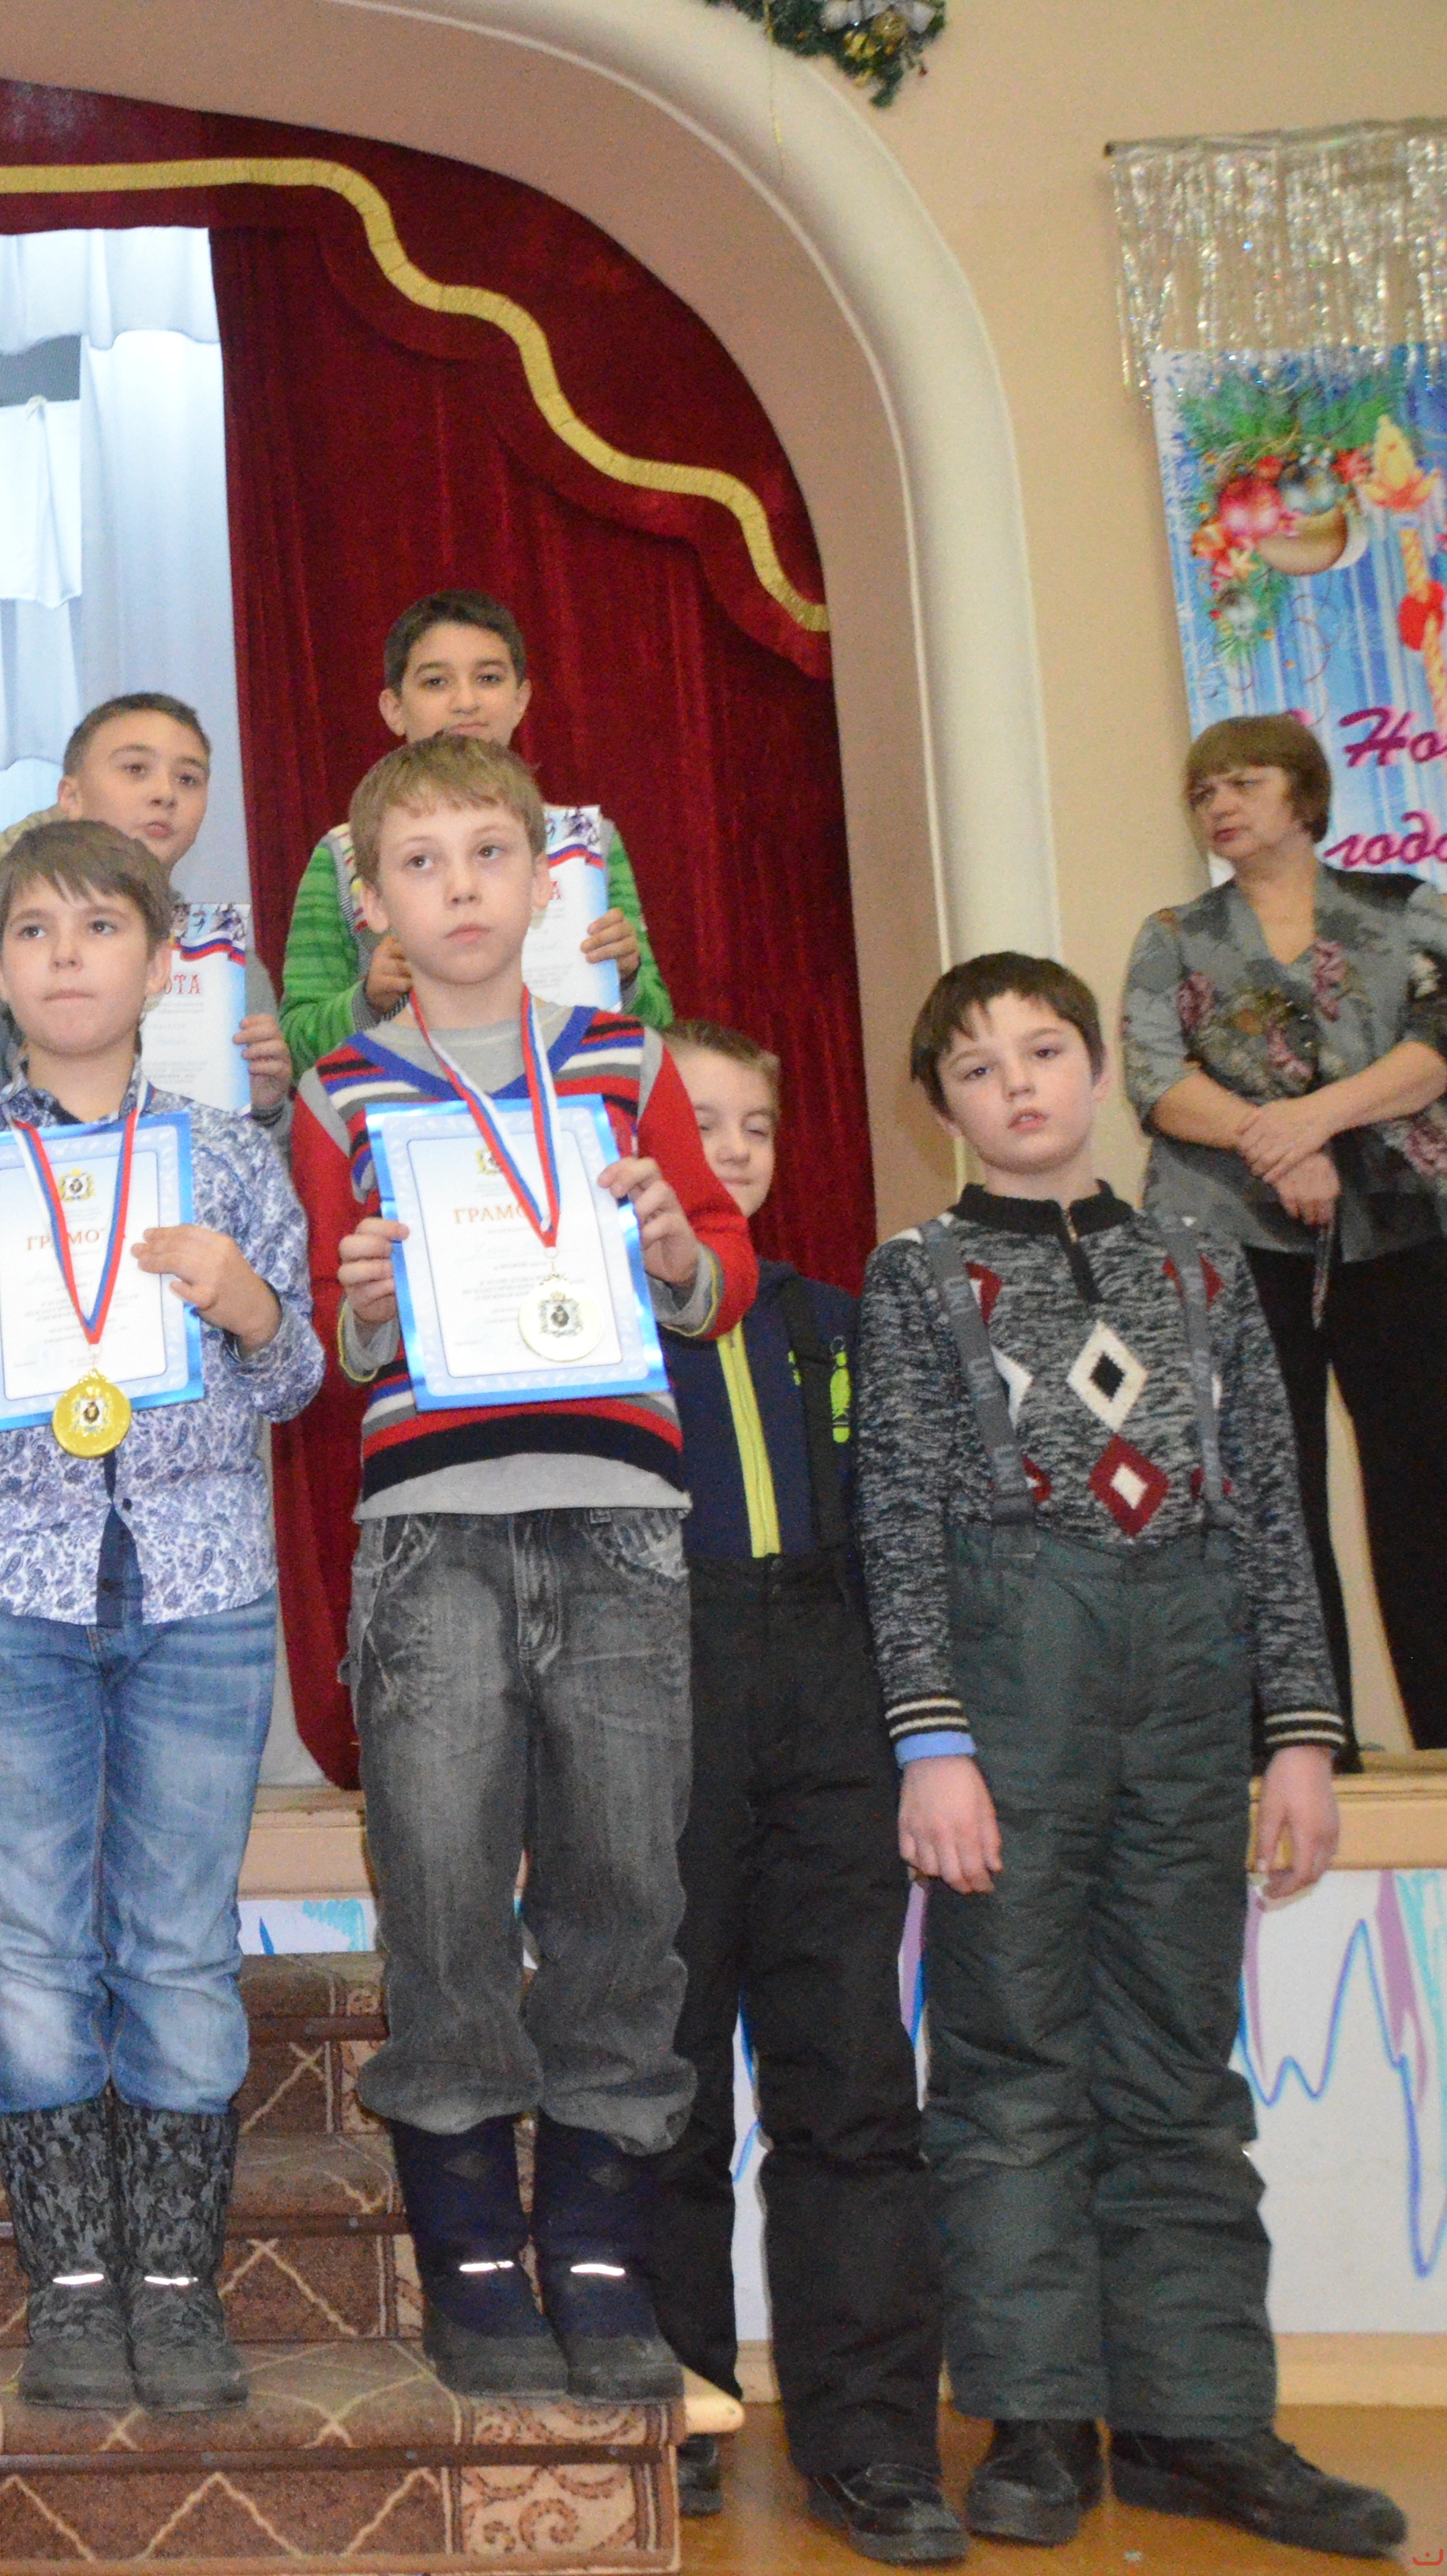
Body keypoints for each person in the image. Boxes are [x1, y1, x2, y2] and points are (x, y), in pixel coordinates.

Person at [860, 954, 1404, 2560]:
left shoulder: (1201, 1264)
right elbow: (895, 1522)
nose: (1016, 1085)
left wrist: (1295, 1736)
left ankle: (1195, 2415)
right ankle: (1035, 2415)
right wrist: (931, 1740)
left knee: (1177, 2059)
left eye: (1043, 1051)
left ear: (1097, 1067)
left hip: (1187, 1684)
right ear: (940, 1104)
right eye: (976, 1068)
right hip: (1008, 1682)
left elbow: (1272, 1510)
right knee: (1009, 2061)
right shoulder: (915, 1274)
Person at [291, 732, 752, 2403]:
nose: (460, 888)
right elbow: (336, 1340)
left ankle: (601, 2251)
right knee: (437, 1883)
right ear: (371, 903)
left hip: (617, 1512)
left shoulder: (625, 1062)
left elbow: (725, 1268)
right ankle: (473, 2251)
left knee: (624, 1883)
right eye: (420, 863)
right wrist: (358, 1296)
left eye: (489, 853)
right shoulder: (338, 1092)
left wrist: (677, 1246)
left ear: (546, 877)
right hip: (430, 1526)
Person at [0, 822, 321, 2415]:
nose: (66, 954)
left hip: (199, 1592)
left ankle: (177, 2285)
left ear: (160, 960)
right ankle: (67, 2283)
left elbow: (297, 1375)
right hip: (2, 1597)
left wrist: (244, 1301)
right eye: (34, 930)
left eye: (100, 926)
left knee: (177, 1943)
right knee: (36, 1943)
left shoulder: (227, 1156)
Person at [639, 1022, 954, 2563]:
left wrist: (924, 1737)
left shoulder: (834, 1321)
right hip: (659, 1696)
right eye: (696, 1120)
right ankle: (678, 2410)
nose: (732, 1148)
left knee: (849, 2081)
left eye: (754, 1124)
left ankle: (871, 2442)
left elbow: (904, 1541)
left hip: (830, 1703)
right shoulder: (588, 1333)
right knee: (662, 2085)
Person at [1120, 711, 1447, 1749]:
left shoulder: (1405, 907)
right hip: (1232, 1242)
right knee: (1270, 1491)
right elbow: (1155, 1081)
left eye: (1243, 783)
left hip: (1402, 1230)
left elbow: (1436, 1048)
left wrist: (1309, 1122)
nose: (1219, 805)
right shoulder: (1175, 934)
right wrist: (1278, 1146)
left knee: (1425, 1483)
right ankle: (1305, 1742)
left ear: (1303, 795)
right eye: (1203, 793)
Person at [277, 590, 669, 1067]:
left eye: (488, 678)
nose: (466, 702)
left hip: (568, 1089)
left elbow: (660, 1027)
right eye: (436, 681)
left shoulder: (589, 843)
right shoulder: (345, 856)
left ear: (521, 699)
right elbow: (294, 1044)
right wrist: (368, 1000)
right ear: (394, 708)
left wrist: (625, 976)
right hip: (412, 1097)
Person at [0, 695, 294, 1121]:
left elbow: (263, 1152)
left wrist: (267, 1105)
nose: (165, 794)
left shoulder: (231, 969)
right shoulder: (0, 952)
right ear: (71, 796)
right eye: (135, 769)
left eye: (188, 779)